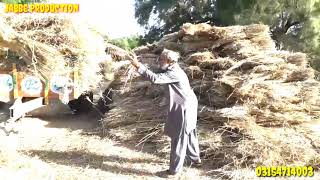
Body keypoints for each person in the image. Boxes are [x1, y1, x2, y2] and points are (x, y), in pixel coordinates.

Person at [129, 49, 201, 176]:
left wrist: (139, 66)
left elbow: (155, 78)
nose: (159, 61)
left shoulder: (175, 73)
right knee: (189, 132)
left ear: (169, 61)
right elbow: (156, 70)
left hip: (184, 107)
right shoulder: (171, 68)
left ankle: (173, 172)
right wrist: (140, 64)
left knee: (179, 136)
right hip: (188, 104)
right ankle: (195, 159)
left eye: (161, 59)